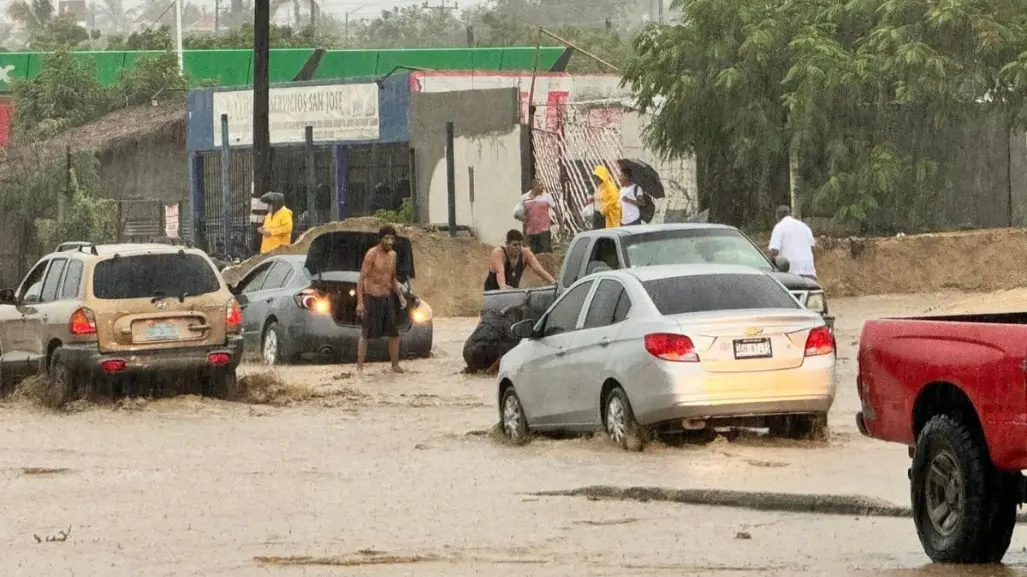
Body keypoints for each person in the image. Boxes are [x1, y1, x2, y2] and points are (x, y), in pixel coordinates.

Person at [356, 225, 408, 374]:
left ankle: (395, 365)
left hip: (387, 298)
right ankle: (359, 368)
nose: (390, 241)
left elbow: (392, 278)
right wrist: (360, 303)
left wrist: (400, 296)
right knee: (365, 334)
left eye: (392, 238)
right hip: (371, 298)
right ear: (380, 239)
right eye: (386, 238)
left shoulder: (393, 255)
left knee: (394, 334)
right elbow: (361, 279)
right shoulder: (372, 254)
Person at [484, 229, 556, 291]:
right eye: (514, 245)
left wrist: (554, 282)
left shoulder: (525, 253)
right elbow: (500, 272)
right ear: (507, 244)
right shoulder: (499, 253)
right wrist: (503, 288)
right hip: (493, 292)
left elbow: (539, 270)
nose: (518, 247)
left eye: (520, 244)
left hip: (512, 291)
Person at [768, 205, 817, 279]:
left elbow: (774, 251)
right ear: (789, 214)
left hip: (790, 273)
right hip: (809, 271)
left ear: (777, 216)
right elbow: (812, 247)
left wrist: (768, 265)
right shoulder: (804, 227)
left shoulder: (779, 227)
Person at [520, 179, 555, 254]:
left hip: (544, 231)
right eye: (540, 185)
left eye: (542, 185)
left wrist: (561, 226)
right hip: (531, 232)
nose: (542, 187)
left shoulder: (547, 197)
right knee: (533, 255)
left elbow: (557, 211)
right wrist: (524, 222)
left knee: (545, 254)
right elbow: (520, 214)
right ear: (534, 186)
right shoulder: (524, 198)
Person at [591, 164, 621, 230]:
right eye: (595, 177)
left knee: (603, 236)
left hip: (605, 217)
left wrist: (604, 209)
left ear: (602, 177)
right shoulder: (600, 187)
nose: (595, 180)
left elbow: (614, 201)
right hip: (597, 215)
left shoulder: (610, 187)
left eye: (597, 177)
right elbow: (599, 199)